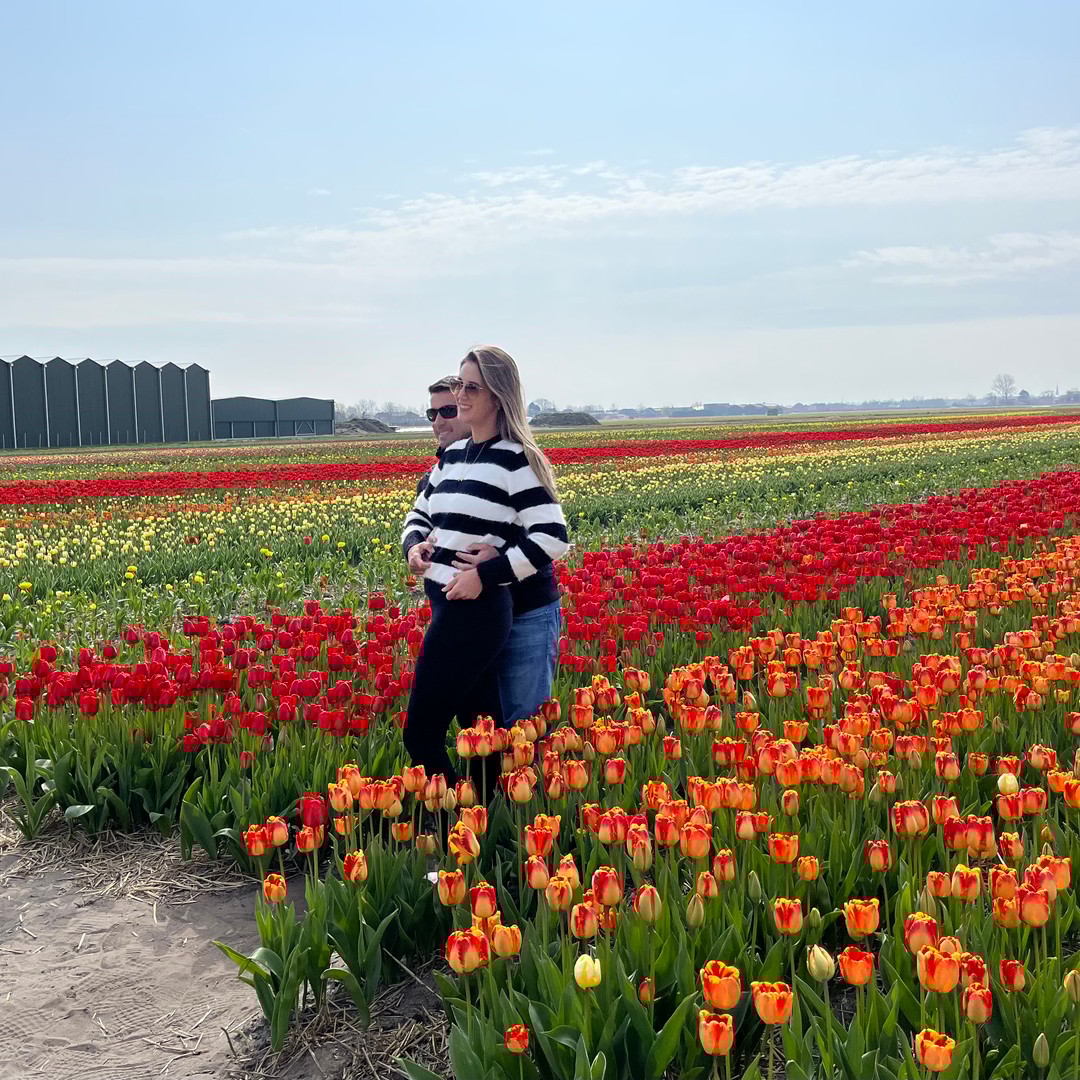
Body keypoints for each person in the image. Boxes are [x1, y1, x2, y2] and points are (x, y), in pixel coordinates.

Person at [401, 347, 568, 787]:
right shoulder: (453, 457)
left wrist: (486, 575)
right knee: (483, 734)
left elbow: (552, 536)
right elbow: (419, 514)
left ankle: (453, 817)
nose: (461, 395)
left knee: (423, 733)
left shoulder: (515, 459)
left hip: (479, 610)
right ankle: (485, 815)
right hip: (448, 604)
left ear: (498, 395)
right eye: (460, 384)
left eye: (471, 387)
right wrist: (415, 547)